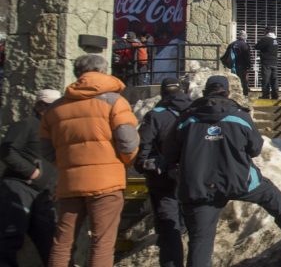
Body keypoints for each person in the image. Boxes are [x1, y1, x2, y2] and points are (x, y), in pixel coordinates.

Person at [165, 76, 281, 266]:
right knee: (268, 193)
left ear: (205, 93)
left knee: (201, 240)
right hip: (239, 178)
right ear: (227, 92)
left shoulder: (186, 119)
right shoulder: (239, 116)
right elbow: (255, 148)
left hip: (198, 185)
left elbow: (170, 152)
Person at [40, 55, 140, 267]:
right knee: (102, 242)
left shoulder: (55, 107)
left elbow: (46, 149)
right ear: (104, 71)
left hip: (70, 183)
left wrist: (67, 165)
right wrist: (121, 163)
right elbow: (128, 142)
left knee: (62, 242)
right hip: (107, 182)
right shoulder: (115, 102)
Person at [134, 78, 191, 267]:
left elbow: (143, 146)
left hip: (164, 178)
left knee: (168, 226)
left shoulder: (156, 115)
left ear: (163, 93)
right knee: (191, 225)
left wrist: (142, 165)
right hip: (192, 176)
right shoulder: (195, 112)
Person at [0, 89, 61, 266]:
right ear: (40, 106)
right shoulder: (26, 124)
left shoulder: (56, 130)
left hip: (44, 193)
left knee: (50, 241)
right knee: (10, 237)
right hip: (19, 187)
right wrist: (32, 173)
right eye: (53, 106)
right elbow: (6, 151)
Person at [225, 31, 252, 96]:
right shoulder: (244, 45)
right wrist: (249, 65)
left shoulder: (232, 44)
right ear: (245, 36)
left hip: (233, 66)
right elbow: (247, 56)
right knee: (243, 81)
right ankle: (244, 94)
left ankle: (234, 94)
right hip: (242, 66)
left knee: (234, 80)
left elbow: (227, 55)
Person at [256, 28, 279, 99]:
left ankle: (265, 95)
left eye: (264, 32)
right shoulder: (275, 40)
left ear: (266, 32)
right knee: (274, 80)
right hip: (274, 63)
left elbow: (257, 47)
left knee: (266, 79)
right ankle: (275, 95)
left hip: (266, 63)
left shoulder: (265, 39)